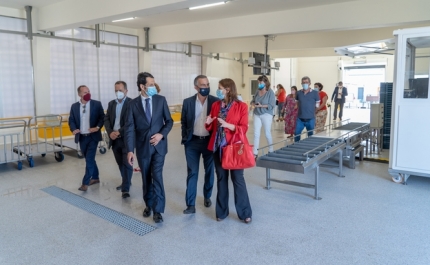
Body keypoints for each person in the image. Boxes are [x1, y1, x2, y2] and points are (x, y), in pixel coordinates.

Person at [124, 72, 173, 223]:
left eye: (153, 83)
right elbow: (129, 128)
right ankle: (149, 204)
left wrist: (161, 135)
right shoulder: (132, 104)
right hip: (143, 147)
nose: (153, 86)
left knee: (157, 177)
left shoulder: (160, 100)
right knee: (146, 178)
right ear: (142, 86)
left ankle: (158, 210)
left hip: (159, 147)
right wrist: (130, 150)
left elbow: (169, 121)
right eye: (151, 84)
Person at [205, 78, 252, 224]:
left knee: (238, 180)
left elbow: (243, 128)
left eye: (220, 88)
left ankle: (244, 213)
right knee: (221, 179)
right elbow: (212, 127)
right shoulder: (215, 105)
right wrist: (208, 124)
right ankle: (221, 211)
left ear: (228, 89)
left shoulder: (241, 106)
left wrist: (228, 125)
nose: (218, 90)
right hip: (218, 148)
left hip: (235, 148)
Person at [181, 75, 218, 214]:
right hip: (192, 142)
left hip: (209, 142)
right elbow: (184, 122)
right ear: (196, 87)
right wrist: (185, 137)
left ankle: (207, 196)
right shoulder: (188, 102)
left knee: (209, 171)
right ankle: (190, 204)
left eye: (208, 84)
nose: (206, 87)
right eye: (203, 85)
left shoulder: (215, 101)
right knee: (192, 172)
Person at [68, 85, 105, 191]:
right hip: (82, 137)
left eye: (88, 91)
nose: (88, 93)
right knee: (89, 158)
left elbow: (102, 118)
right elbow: (71, 120)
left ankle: (85, 183)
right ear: (79, 94)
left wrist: (97, 127)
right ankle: (95, 177)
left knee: (89, 159)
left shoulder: (96, 104)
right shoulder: (74, 106)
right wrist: (73, 129)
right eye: (85, 92)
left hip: (93, 137)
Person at [104, 81, 133, 198]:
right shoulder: (111, 104)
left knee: (127, 163)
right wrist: (110, 132)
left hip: (126, 138)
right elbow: (106, 119)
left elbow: (131, 122)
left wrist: (119, 132)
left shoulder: (132, 103)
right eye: (116, 90)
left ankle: (125, 189)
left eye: (120, 90)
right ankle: (126, 181)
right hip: (114, 139)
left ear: (126, 91)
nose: (118, 92)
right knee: (120, 163)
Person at [250, 75, 276, 158]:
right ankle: (255, 153)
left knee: (267, 133)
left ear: (265, 83)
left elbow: (272, 105)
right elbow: (253, 100)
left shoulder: (270, 92)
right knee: (256, 133)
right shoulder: (257, 91)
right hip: (257, 113)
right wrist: (253, 104)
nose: (259, 84)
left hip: (266, 114)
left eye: (260, 83)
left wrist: (261, 106)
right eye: (258, 83)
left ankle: (271, 149)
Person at [294, 76, 320, 142]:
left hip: (310, 118)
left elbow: (317, 105)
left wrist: (313, 113)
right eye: (303, 82)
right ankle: (296, 146)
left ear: (309, 83)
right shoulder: (298, 93)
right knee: (297, 133)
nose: (305, 84)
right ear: (301, 84)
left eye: (306, 82)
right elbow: (297, 102)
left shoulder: (315, 93)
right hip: (300, 118)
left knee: (310, 135)